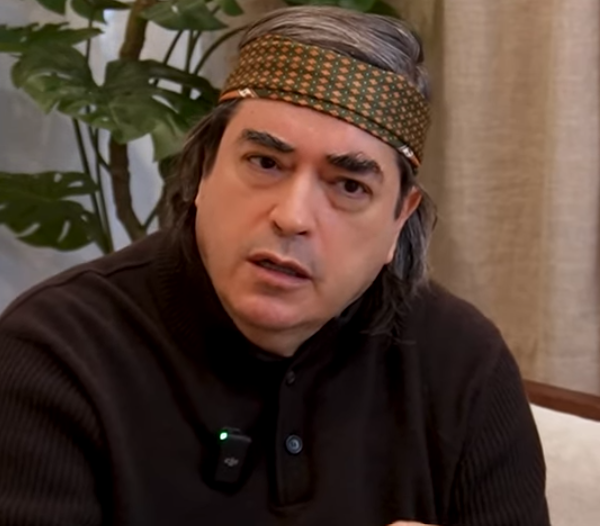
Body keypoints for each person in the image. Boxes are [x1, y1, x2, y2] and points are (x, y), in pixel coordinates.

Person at [0, 6, 550, 526]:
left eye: (349, 186)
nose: (292, 217)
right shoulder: (54, 356)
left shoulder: (462, 366)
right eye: (265, 163)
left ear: (398, 220)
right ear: (204, 171)